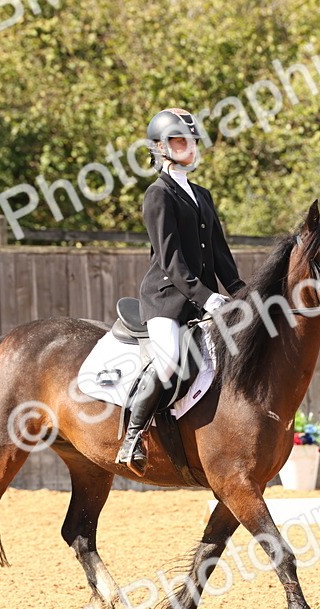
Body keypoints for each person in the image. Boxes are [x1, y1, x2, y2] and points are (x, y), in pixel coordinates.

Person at [115, 108, 247, 473]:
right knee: (169, 359)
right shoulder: (158, 195)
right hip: (166, 300)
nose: (187, 147)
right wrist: (206, 296)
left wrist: (241, 292)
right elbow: (171, 259)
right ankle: (133, 436)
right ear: (159, 147)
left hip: (200, 300)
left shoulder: (202, 195)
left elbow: (219, 253)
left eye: (190, 141)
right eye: (178, 141)